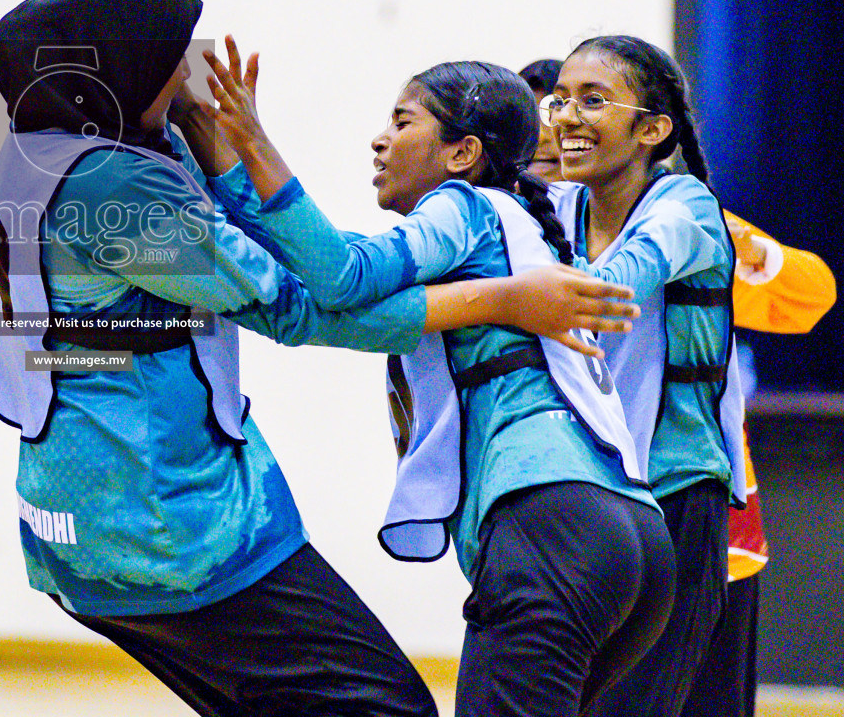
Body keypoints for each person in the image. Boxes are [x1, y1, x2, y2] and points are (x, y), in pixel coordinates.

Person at [0, 0, 640, 717]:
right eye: (169, 52)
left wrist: (216, 143)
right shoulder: (119, 186)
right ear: (124, 57)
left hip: (71, 517)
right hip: (169, 519)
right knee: (389, 709)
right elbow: (299, 303)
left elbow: (237, 242)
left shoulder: (41, 149)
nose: (185, 76)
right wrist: (505, 302)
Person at [196, 43, 674, 716]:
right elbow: (351, 302)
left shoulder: (465, 207)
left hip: (552, 521)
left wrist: (251, 142)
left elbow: (340, 277)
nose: (380, 139)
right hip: (637, 540)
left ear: (462, 154)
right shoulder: (523, 233)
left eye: (403, 121)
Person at [521, 56, 837, 717]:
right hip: (572, 515)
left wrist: (746, 250)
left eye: (583, 106)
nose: (554, 133)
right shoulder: (511, 233)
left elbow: (810, 296)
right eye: (548, 115)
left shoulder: (678, 224)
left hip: (693, 516)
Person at [539, 35, 747, 717]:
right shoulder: (557, 211)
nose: (566, 116)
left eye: (591, 100)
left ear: (653, 128)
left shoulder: (683, 207)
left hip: (678, 496)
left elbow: (610, 293)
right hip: (586, 499)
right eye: (559, 99)